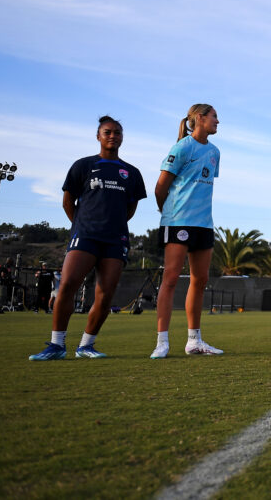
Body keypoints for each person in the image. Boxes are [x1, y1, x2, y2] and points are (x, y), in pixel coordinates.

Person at [29, 116, 147, 360]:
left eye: (117, 132)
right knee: (68, 285)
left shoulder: (132, 173)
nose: (113, 136)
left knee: (105, 293)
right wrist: (81, 225)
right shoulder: (83, 165)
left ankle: (86, 346)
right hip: (85, 236)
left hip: (115, 240)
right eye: (107, 132)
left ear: (122, 137)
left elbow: (130, 209)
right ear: (98, 136)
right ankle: (56, 345)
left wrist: (113, 225)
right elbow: (67, 201)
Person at [151, 103, 223, 358]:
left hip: (203, 224)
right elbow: (161, 187)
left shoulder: (215, 152)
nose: (218, 120)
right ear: (200, 118)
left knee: (200, 281)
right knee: (170, 278)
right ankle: (162, 342)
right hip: (178, 221)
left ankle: (194, 341)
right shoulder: (182, 147)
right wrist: (168, 214)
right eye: (214, 116)